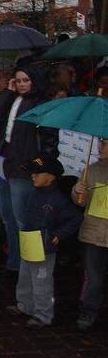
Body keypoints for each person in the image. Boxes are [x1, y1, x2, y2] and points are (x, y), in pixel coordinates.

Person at [0, 65, 59, 273]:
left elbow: (49, 142)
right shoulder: (13, 98)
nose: (21, 84)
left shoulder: (42, 104)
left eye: (25, 80)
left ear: (34, 81)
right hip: (7, 165)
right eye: (18, 81)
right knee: (8, 218)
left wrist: (38, 167)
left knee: (23, 220)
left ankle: (29, 266)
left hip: (25, 169)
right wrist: (8, 92)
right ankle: (14, 263)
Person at [6, 156, 82, 329]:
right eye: (32, 173)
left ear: (51, 177)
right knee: (24, 276)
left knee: (42, 281)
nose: (33, 176)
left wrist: (58, 234)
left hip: (44, 247)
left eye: (37, 173)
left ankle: (43, 315)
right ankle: (25, 305)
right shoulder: (34, 192)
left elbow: (75, 218)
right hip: (29, 241)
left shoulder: (58, 199)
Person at [73, 138, 108, 331]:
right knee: (94, 278)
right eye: (100, 142)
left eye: (104, 143)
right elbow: (79, 202)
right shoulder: (91, 169)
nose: (99, 147)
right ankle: (88, 311)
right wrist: (78, 191)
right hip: (93, 234)